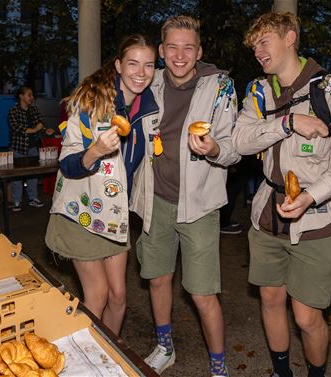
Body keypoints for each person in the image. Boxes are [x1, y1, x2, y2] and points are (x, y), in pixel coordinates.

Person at [233, 12, 331, 377]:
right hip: (267, 216)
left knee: (306, 315)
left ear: (290, 37)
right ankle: (282, 373)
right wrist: (288, 122)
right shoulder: (258, 91)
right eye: (254, 47)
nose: (258, 52)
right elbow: (239, 141)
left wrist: (313, 195)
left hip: (318, 219)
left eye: (264, 42)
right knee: (269, 298)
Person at [130, 16, 239, 377]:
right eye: (172, 47)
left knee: (202, 293)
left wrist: (213, 149)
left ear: (199, 51)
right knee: (158, 278)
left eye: (188, 47)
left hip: (200, 204)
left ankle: (219, 366)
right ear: (161, 51)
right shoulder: (150, 81)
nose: (180, 55)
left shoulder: (220, 87)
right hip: (154, 199)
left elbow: (234, 148)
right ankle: (165, 347)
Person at [45, 34, 158, 336]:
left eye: (149, 65)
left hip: (114, 215)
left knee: (119, 298)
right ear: (119, 65)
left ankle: (107, 357)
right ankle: (81, 358)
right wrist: (94, 150)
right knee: (98, 296)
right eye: (133, 63)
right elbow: (67, 163)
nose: (140, 72)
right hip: (81, 212)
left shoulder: (149, 108)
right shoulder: (92, 103)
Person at [8, 86, 51, 211]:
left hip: (32, 147)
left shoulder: (34, 109)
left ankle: (33, 198)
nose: (31, 98)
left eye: (32, 95)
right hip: (18, 148)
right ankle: (17, 201)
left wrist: (44, 129)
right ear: (21, 96)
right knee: (17, 176)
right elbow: (16, 128)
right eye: (29, 95)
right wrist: (35, 129)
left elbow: (41, 122)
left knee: (33, 174)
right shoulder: (14, 110)